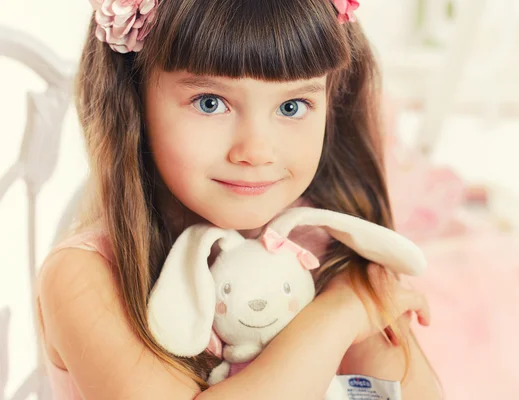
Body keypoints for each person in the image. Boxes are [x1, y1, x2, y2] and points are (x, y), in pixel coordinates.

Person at [36, 0, 442, 399]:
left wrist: (353, 294)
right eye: (210, 103)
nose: (256, 151)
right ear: (135, 101)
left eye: (292, 105)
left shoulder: (328, 248)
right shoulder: (83, 277)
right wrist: (342, 314)